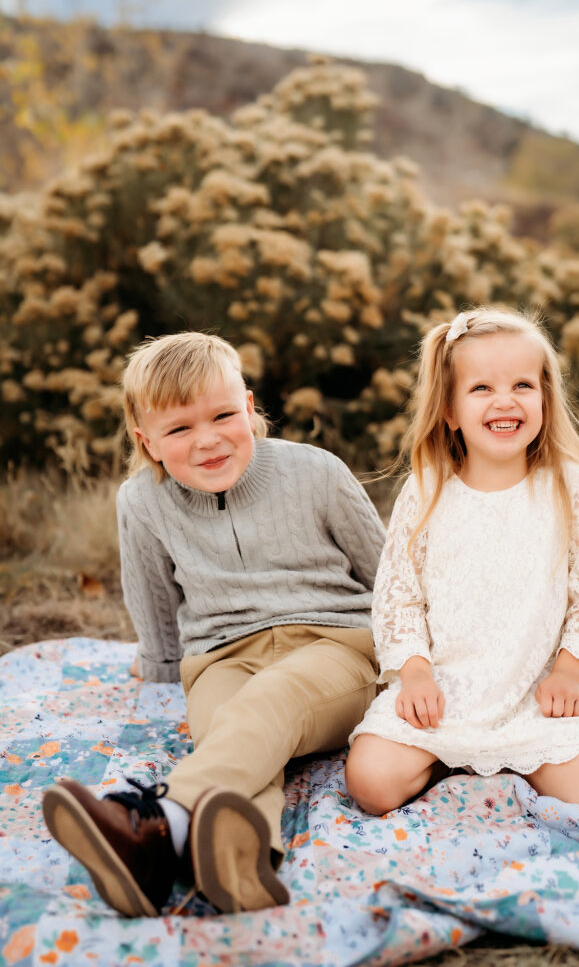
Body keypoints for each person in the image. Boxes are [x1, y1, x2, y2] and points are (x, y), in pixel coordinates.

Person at [42, 331, 386, 918]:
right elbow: (150, 593)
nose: (207, 440)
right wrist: (157, 663)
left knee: (269, 701)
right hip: (221, 658)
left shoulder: (318, 473)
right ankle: (241, 864)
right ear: (145, 440)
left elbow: (390, 577)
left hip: (334, 648)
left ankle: (153, 822)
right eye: (179, 429)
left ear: (249, 409)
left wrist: (416, 662)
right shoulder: (141, 502)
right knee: (234, 735)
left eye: (223, 415)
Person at [345, 306, 579, 817]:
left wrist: (568, 675)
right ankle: (461, 757)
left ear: (545, 399)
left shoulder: (565, 488)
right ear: (450, 411)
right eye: (481, 388)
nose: (505, 401)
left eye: (523, 385)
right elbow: (399, 596)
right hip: (445, 697)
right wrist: (414, 677)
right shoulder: (429, 490)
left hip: (534, 699)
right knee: (370, 784)